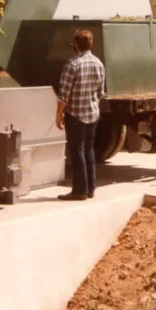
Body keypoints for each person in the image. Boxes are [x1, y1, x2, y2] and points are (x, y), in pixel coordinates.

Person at [55, 29, 106, 201]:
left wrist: (58, 115)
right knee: (89, 150)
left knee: (76, 151)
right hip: (92, 113)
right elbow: (100, 92)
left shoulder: (72, 64)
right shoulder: (98, 63)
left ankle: (79, 190)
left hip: (75, 114)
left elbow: (64, 95)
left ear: (75, 45)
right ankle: (90, 188)